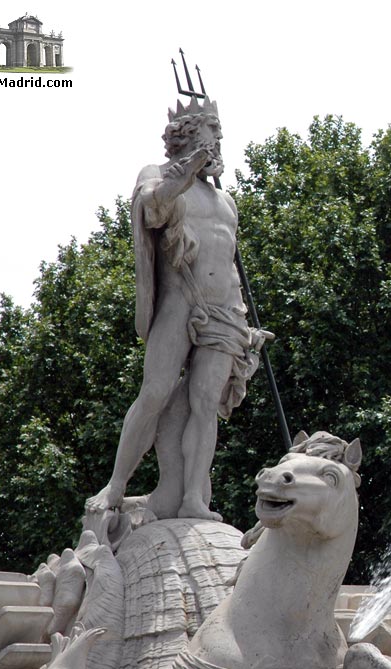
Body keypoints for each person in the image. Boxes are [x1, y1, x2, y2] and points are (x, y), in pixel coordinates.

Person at [87, 97, 267, 521]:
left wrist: (247, 325)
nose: (220, 142)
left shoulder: (227, 202)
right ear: (189, 135)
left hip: (225, 312)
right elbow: (152, 208)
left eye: (220, 135)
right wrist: (182, 175)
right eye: (213, 134)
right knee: (155, 392)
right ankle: (116, 485)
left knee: (206, 403)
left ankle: (192, 499)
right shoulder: (158, 175)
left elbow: (228, 263)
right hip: (179, 300)